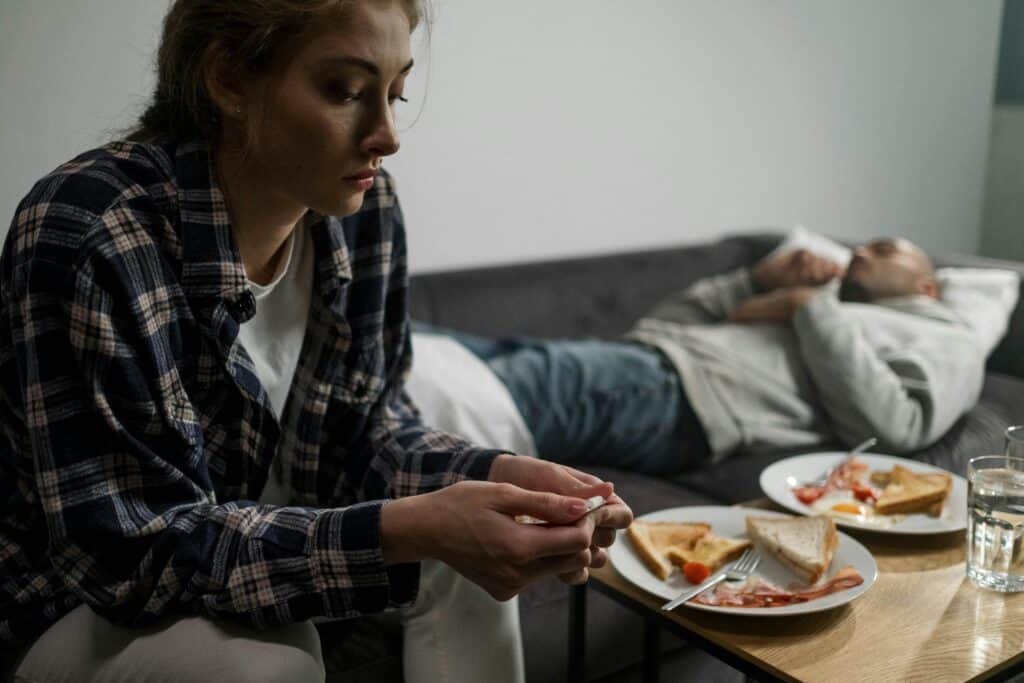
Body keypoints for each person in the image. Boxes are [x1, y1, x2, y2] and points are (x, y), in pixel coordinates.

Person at [0, 1, 632, 681]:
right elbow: (133, 557)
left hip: (242, 547)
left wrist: (496, 477)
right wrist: (407, 528)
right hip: (63, 604)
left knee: (466, 567)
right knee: (269, 662)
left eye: (395, 93)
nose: (386, 136)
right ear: (229, 80)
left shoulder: (368, 215)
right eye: (347, 92)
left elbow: (361, 437)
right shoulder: (91, 234)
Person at [432, 239, 989, 475]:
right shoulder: (821, 309)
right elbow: (659, 329)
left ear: (927, 287)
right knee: (414, 344)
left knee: (449, 387)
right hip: (646, 363)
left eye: (886, 249)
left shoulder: (951, 338)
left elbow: (896, 425)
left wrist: (807, 307)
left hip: (684, 403)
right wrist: (757, 279)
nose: (861, 251)